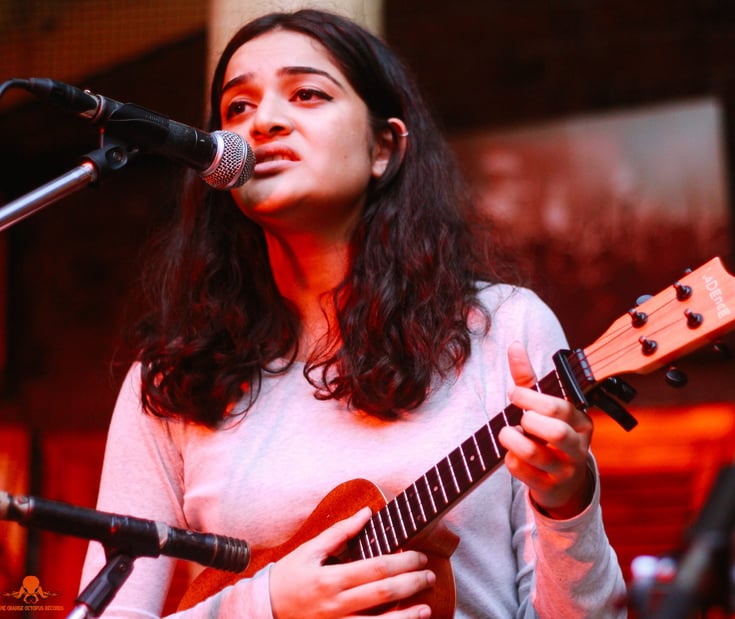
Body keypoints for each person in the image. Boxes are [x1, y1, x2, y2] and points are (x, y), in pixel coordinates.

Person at [80, 8, 626, 618]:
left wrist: (566, 502)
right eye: (238, 107)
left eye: (307, 94)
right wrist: (267, 606)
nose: (264, 121)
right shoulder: (173, 380)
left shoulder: (505, 330)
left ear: (383, 147)